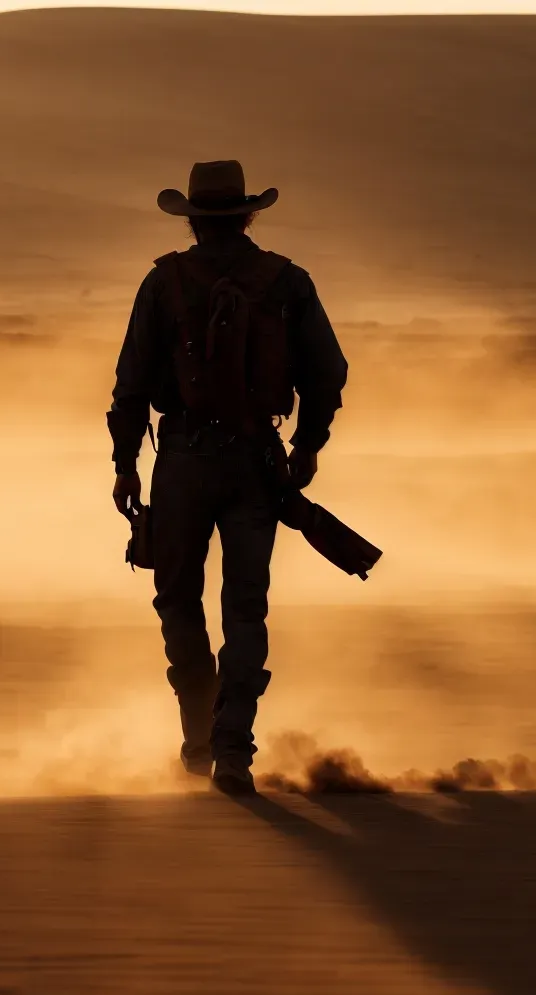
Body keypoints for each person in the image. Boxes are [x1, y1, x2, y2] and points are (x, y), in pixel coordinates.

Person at [106, 160, 348, 796]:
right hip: (255, 461)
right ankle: (234, 749)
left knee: (177, 600)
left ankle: (198, 743)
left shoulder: (164, 282)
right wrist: (307, 445)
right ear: (248, 216)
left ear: (192, 222)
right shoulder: (287, 281)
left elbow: (131, 382)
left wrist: (126, 464)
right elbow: (328, 372)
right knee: (245, 606)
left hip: (182, 462)